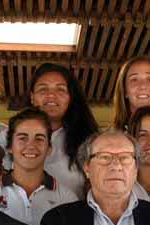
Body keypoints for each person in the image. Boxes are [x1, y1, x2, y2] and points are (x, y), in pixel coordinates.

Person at [29, 62, 99, 197]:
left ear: (70, 97)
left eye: (60, 89)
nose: (51, 95)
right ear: (32, 97)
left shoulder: (91, 141)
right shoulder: (9, 137)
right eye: (43, 89)